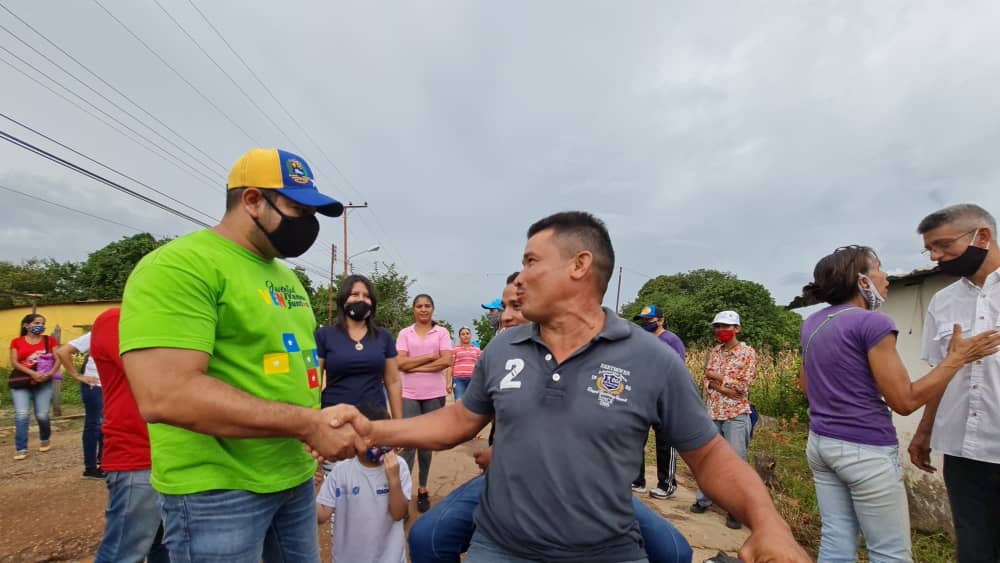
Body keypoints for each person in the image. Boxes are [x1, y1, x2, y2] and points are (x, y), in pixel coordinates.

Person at [327, 211, 808, 562]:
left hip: (608, 552)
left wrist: (769, 525)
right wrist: (372, 430)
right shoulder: (505, 348)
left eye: (532, 261)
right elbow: (458, 419)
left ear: (580, 265)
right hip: (500, 548)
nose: (518, 283)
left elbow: (711, 458)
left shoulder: (652, 360)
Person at [119, 148, 367, 563]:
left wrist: (319, 422)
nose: (307, 224)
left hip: (293, 479)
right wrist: (308, 424)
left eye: (312, 214)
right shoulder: (180, 266)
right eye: (297, 209)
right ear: (252, 200)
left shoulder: (285, 275)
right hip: (217, 493)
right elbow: (166, 394)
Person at [409, 275, 696, 563]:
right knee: (427, 538)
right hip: (506, 486)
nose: (505, 317)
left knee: (675, 551)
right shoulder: (498, 355)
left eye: (517, 307)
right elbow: (463, 419)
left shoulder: (582, 359)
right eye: (502, 309)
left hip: (589, 489)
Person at [798, 244, 1000, 562]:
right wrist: (957, 358)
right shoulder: (873, 324)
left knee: (836, 540)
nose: (886, 276)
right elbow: (904, 402)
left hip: (821, 444)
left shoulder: (813, 323)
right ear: (861, 280)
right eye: (879, 268)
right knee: (889, 553)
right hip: (864, 450)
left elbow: (806, 385)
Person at [908, 204, 1000, 562]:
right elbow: (940, 373)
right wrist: (925, 430)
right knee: (974, 549)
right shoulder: (943, 302)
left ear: (983, 236)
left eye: (943, 245)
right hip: (964, 452)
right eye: (929, 249)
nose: (936, 256)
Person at [89, 307, 170, 563]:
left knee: (166, 548)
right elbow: (159, 374)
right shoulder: (117, 320)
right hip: (137, 455)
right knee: (124, 552)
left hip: (173, 456)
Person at [316, 403, 411, 563]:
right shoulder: (341, 470)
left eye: (381, 439)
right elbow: (322, 514)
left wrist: (394, 481)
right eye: (368, 439)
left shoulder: (398, 466)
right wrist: (313, 489)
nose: (375, 445)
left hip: (389, 558)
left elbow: (399, 514)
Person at [691, 310, 757, 530]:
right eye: (718, 327)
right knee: (708, 459)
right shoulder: (715, 352)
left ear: (737, 328)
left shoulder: (747, 353)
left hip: (735, 415)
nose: (721, 331)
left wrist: (717, 380)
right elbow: (706, 380)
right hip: (713, 412)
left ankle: (735, 510)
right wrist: (723, 385)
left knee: (736, 463)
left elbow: (742, 386)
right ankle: (703, 500)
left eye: (726, 327)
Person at [315, 274, 402, 419]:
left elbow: (393, 382)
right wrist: (312, 421)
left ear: (372, 302)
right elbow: (315, 382)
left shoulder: (384, 337)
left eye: (366, 296)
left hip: (376, 421)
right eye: (354, 294)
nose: (361, 299)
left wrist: (399, 423)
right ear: (343, 299)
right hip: (334, 419)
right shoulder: (324, 335)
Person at [396, 293, 453, 513]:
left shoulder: (442, 332)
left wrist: (413, 366)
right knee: (408, 444)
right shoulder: (404, 333)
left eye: (427, 305)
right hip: (409, 393)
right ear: (413, 309)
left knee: (426, 445)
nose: (423, 309)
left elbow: (447, 360)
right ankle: (404, 493)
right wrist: (430, 358)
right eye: (419, 306)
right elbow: (400, 363)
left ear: (433, 309)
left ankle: (422, 488)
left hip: (434, 393)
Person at [632, 305, 685, 500]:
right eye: (644, 321)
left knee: (665, 442)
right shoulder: (643, 340)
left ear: (661, 320)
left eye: (650, 320)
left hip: (664, 397)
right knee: (636, 438)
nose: (646, 324)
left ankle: (667, 484)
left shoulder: (671, 340)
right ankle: (637, 480)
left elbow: (678, 369)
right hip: (644, 397)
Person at [54, 329, 105, 479]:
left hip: (111, 386)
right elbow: (63, 351)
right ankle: (90, 467)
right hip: (95, 385)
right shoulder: (98, 333)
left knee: (107, 425)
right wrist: (77, 375)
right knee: (95, 424)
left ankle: (105, 463)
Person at [8, 313, 60, 460]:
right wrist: (32, 373)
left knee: (42, 415)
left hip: (44, 381)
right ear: (26, 325)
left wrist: (50, 373)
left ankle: (45, 438)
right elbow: (15, 362)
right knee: (22, 414)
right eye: (36, 323)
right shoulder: (16, 342)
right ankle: (21, 448)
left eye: (42, 323)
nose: (40, 326)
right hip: (22, 381)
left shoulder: (50, 340)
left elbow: (58, 358)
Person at [451, 327, 481, 402]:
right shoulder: (455, 350)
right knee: (459, 401)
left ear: (470, 335)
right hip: (458, 380)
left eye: (467, 333)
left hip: (473, 380)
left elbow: (480, 366)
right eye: (463, 334)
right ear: (459, 337)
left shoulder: (477, 350)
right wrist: (448, 382)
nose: (465, 336)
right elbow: (450, 366)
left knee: (473, 403)